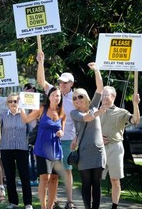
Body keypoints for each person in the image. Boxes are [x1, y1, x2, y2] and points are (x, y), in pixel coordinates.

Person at [36, 51, 77, 209]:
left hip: (67, 139)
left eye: (65, 83)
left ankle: (70, 201)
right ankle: (54, 201)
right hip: (49, 141)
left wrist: (76, 138)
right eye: (60, 82)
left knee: (66, 171)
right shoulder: (54, 93)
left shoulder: (77, 97)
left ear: (71, 84)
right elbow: (41, 80)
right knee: (51, 175)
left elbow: (81, 119)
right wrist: (41, 62)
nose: (62, 85)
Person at [20, 87, 66, 209]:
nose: (56, 98)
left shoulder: (62, 112)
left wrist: (61, 132)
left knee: (55, 179)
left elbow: (62, 130)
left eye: (59, 96)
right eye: (54, 95)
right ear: (49, 96)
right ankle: (43, 206)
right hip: (42, 149)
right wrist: (21, 107)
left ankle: (50, 207)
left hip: (56, 150)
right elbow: (26, 119)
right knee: (45, 178)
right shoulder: (42, 109)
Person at [70, 62, 107, 209]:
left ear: (85, 96)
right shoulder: (75, 113)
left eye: (79, 96)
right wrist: (100, 111)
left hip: (98, 151)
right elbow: (87, 118)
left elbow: (100, 88)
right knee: (86, 184)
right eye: (74, 98)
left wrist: (97, 70)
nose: (77, 100)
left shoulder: (93, 105)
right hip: (84, 152)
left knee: (96, 184)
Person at [100, 86, 140, 209]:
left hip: (115, 148)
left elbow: (135, 120)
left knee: (115, 180)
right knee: (95, 179)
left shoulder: (121, 112)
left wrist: (135, 104)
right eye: (102, 94)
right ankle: (93, 204)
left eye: (106, 94)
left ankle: (114, 206)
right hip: (98, 148)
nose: (103, 97)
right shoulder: (96, 111)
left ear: (113, 96)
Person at [0, 94, 33, 209]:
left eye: (15, 101)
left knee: (25, 176)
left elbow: (31, 129)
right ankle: (13, 202)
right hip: (6, 148)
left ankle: (28, 203)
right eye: (10, 101)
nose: (13, 103)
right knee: (10, 177)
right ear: (7, 103)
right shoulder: (3, 115)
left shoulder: (25, 115)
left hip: (22, 148)